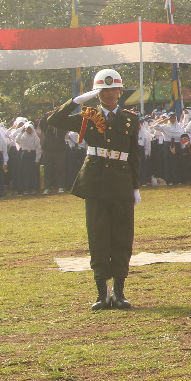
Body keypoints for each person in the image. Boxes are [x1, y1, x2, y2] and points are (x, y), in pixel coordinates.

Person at [45, 69, 141, 310]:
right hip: (96, 182)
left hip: (121, 181)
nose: (109, 94)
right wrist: (77, 101)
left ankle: (119, 292)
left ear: (121, 92)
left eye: (113, 89)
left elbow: (134, 155)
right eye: (103, 90)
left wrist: (136, 186)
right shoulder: (86, 116)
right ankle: (102, 292)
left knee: (122, 235)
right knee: (98, 236)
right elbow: (52, 120)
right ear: (97, 94)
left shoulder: (131, 118)